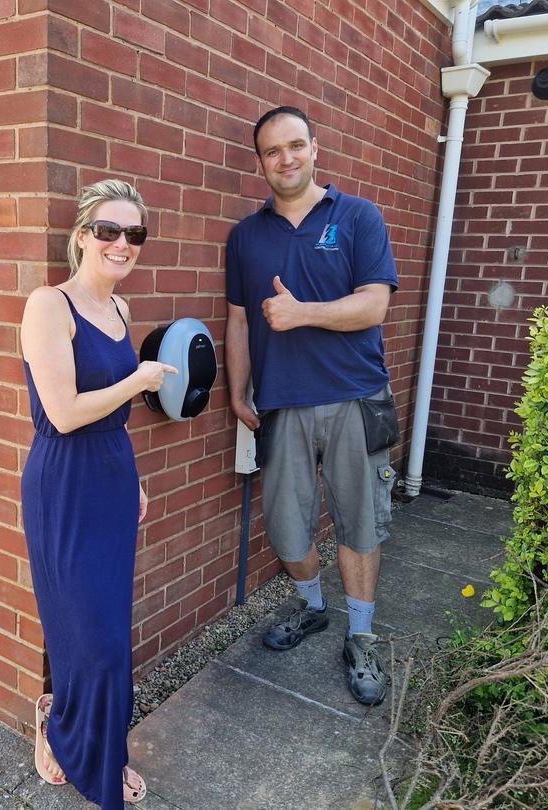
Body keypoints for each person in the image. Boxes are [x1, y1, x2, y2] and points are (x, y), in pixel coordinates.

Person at [225, 106, 399, 706]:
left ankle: (362, 635)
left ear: (315, 148)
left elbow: (374, 305)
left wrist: (302, 313)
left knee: (359, 521)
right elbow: (239, 320)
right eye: (272, 151)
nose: (286, 158)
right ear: (260, 162)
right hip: (281, 403)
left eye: (295, 145)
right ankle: (312, 607)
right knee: (287, 524)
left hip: (355, 396)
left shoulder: (358, 217)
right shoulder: (246, 236)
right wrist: (237, 392)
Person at [20, 179, 177, 807]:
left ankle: (94, 743)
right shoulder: (49, 305)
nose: (122, 243)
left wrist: (132, 476)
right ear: (83, 236)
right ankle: (65, 731)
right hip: (63, 481)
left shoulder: (121, 311)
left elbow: (112, 415)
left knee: (106, 632)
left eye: (134, 233)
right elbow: (62, 414)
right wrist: (139, 379)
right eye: (108, 230)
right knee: (90, 638)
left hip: (111, 477)